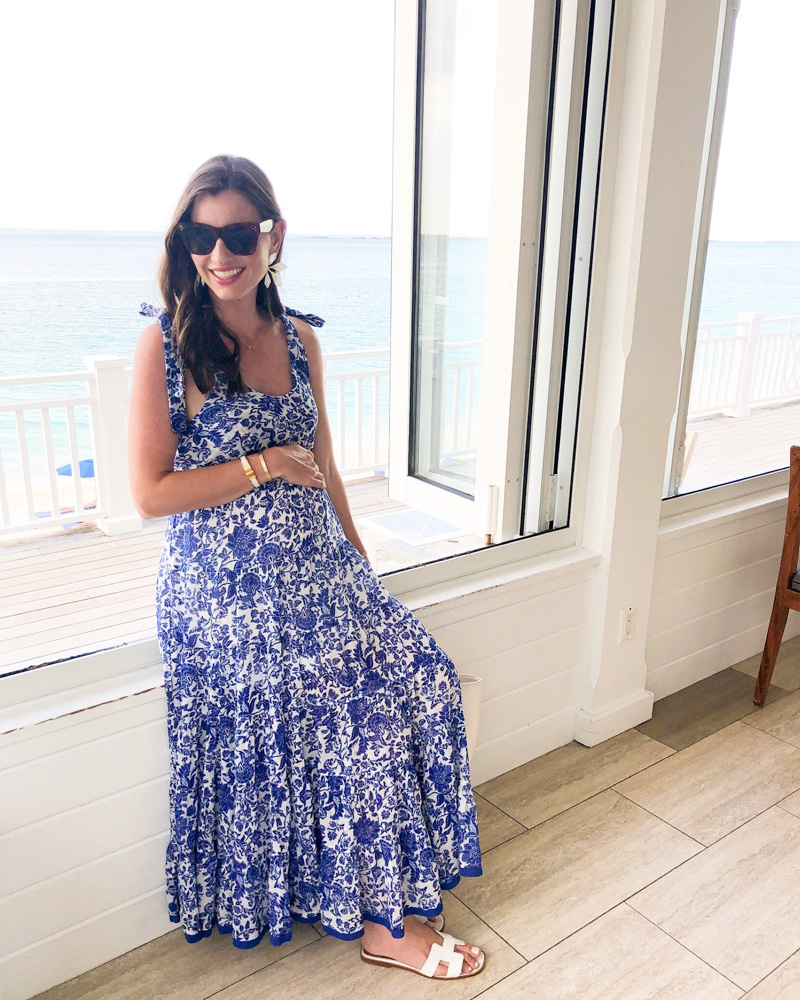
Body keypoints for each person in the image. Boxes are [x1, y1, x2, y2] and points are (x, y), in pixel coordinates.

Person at [127, 154, 485, 981]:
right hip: (224, 597)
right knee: (360, 714)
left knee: (423, 675)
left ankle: (387, 892)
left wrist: (359, 561)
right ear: (183, 242)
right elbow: (149, 493)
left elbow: (322, 460)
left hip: (320, 572)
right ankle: (383, 924)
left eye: (238, 234)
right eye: (201, 235)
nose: (221, 254)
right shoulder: (165, 343)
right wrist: (261, 466)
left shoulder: (300, 338)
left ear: (271, 236)